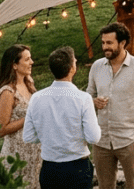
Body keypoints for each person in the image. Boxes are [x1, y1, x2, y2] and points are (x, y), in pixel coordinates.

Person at [86, 22, 134, 189]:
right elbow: (88, 96)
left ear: (123, 43)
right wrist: (93, 101)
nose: (105, 47)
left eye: (109, 43)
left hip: (128, 141)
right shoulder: (97, 67)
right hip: (101, 141)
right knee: (104, 186)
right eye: (103, 43)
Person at [23, 46, 101, 189]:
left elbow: (28, 136)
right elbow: (93, 137)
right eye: (75, 61)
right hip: (77, 167)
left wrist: (50, 137)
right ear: (72, 68)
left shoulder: (37, 98)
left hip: (50, 169)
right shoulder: (83, 98)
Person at [0, 44, 42, 188]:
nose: (32, 62)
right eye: (27, 59)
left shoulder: (29, 84)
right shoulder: (8, 92)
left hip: (34, 156)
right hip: (16, 156)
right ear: (14, 65)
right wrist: (28, 118)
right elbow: (1, 129)